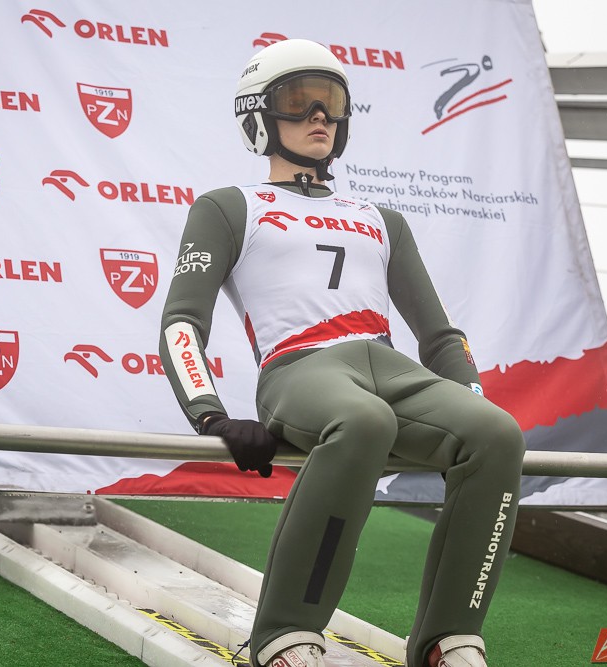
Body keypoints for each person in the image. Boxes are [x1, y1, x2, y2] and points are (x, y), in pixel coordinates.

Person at [159, 38, 525, 667]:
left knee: (497, 434)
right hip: (300, 369)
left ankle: (449, 640)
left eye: (331, 103)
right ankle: (284, 636)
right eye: (299, 102)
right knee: (363, 422)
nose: (320, 117)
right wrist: (210, 414)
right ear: (258, 115)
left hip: (387, 366)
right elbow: (182, 322)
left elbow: (439, 335)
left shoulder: (381, 217)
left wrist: (471, 400)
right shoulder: (228, 206)